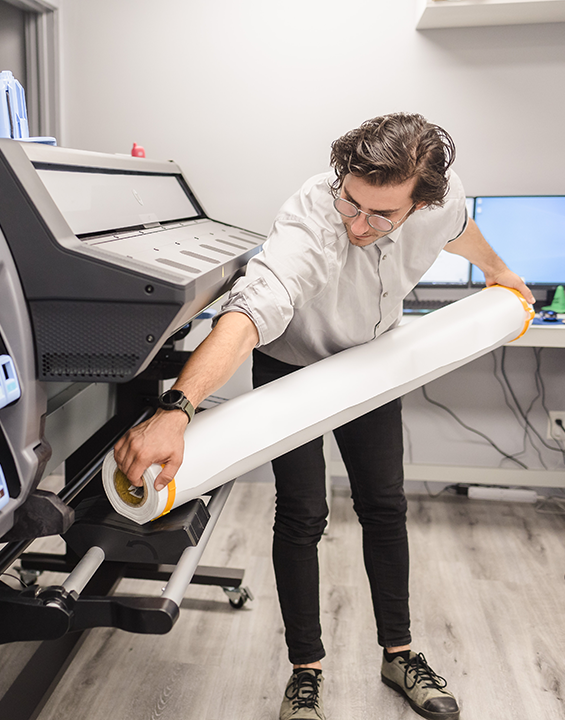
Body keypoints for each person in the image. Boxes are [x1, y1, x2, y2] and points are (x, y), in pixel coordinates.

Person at [113, 113, 533, 720]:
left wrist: (496, 271)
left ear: (420, 203)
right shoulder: (313, 216)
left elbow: (458, 228)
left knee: (385, 507)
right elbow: (253, 309)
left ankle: (400, 653)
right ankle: (305, 671)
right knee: (303, 513)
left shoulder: (442, 202)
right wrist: (178, 409)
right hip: (292, 368)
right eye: (351, 202)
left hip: (372, 364)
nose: (357, 223)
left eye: (380, 215)